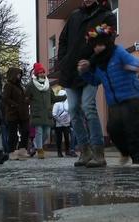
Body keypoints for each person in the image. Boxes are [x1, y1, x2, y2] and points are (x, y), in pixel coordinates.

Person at [78, 23, 139, 166]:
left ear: (107, 43)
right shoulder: (97, 62)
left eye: (100, 44)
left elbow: (136, 63)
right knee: (113, 129)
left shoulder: (118, 52)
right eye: (94, 45)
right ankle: (125, 152)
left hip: (132, 97)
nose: (97, 48)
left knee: (132, 129)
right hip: (114, 102)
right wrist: (84, 72)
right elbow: (95, 81)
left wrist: (132, 67)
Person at [58, 0, 116, 167]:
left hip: (91, 70)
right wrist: (63, 61)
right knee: (73, 109)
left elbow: (108, 44)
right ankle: (85, 150)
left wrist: (91, 61)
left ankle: (98, 152)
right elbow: (62, 40)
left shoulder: (106, 16)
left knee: (88, 107)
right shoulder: (75, 15)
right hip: (70, 71)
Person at [25, 63, 66, 159]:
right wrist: (28, 102)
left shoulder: (48, 85)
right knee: (39, 131)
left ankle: (34, 146)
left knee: (47, 133)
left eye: (43, 72)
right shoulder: (31, 85)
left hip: (47, 113)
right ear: (36, 74)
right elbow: (26, 97)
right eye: (40, 73)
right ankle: (40, 150)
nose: (42, 74)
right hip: (37, 112)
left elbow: (53, 98)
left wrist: (64, 97)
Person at [2, 67, 30, 160]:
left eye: (20, 74)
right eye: (18, 74)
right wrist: (14, 105)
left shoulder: (20, 86)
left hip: (23, 113)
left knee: (26, 130)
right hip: (13, 113)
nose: (19, 76)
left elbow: (22, 97)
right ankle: (11, 151)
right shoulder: (8, 85)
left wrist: (26, 100)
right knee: (12, 133)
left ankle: (22, 149)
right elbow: (5, 98)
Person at [52, 89, 72, 157]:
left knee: (67, 138)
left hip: (66, 124)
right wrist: (60, 121)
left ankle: (67, 151)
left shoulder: (68, 103)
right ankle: (59, 152)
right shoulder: (57, 104)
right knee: (59, 138)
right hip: (59, 124)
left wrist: (68, 121)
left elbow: (70, 112)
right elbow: (54, 114)